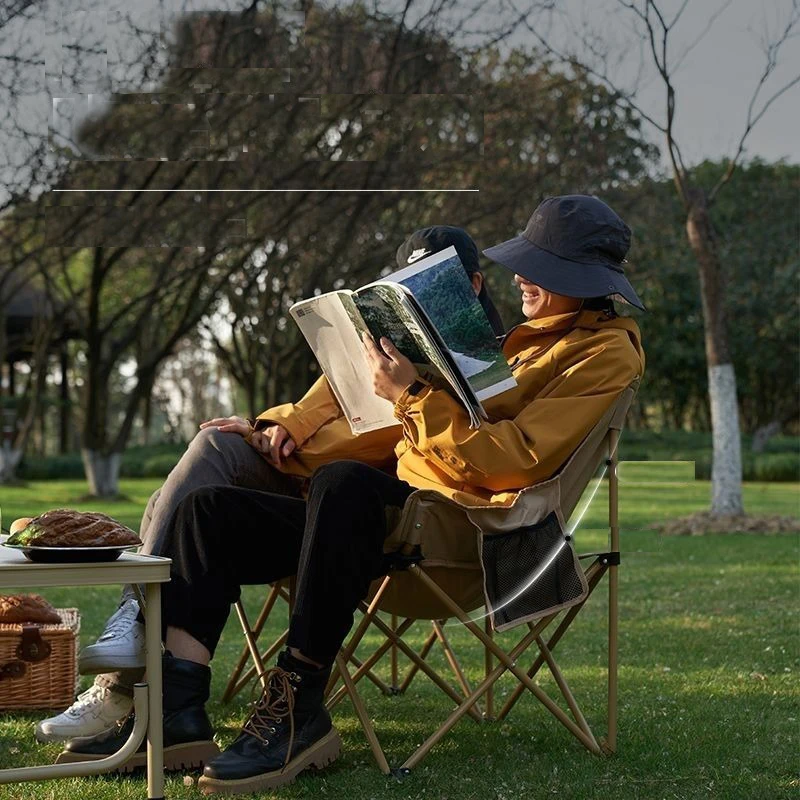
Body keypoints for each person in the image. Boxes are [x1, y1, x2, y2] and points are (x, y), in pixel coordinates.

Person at [58, 194, 646, 796]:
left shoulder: (602, 354)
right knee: (207, 511)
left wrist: (412, 396)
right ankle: (177, 711)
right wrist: (281, 425)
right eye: (525, 261)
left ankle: (297, 708)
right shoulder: (522, 337)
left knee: (343, 486)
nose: (522, 275)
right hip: (392, 513)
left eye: (542, 268)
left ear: (586, 281)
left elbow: (511, 463)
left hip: (470, 529)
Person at [35, 226, 505, 744]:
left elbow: (396, 444)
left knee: (182, 505)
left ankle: (129, 685)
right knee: (214, 450)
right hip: (313, 485)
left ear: (473, 286)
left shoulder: (487, 369)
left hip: (366, 517)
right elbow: (329, 397)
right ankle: (136, 633)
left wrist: (389, 398)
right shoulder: (392, 349)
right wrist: (276, 427)